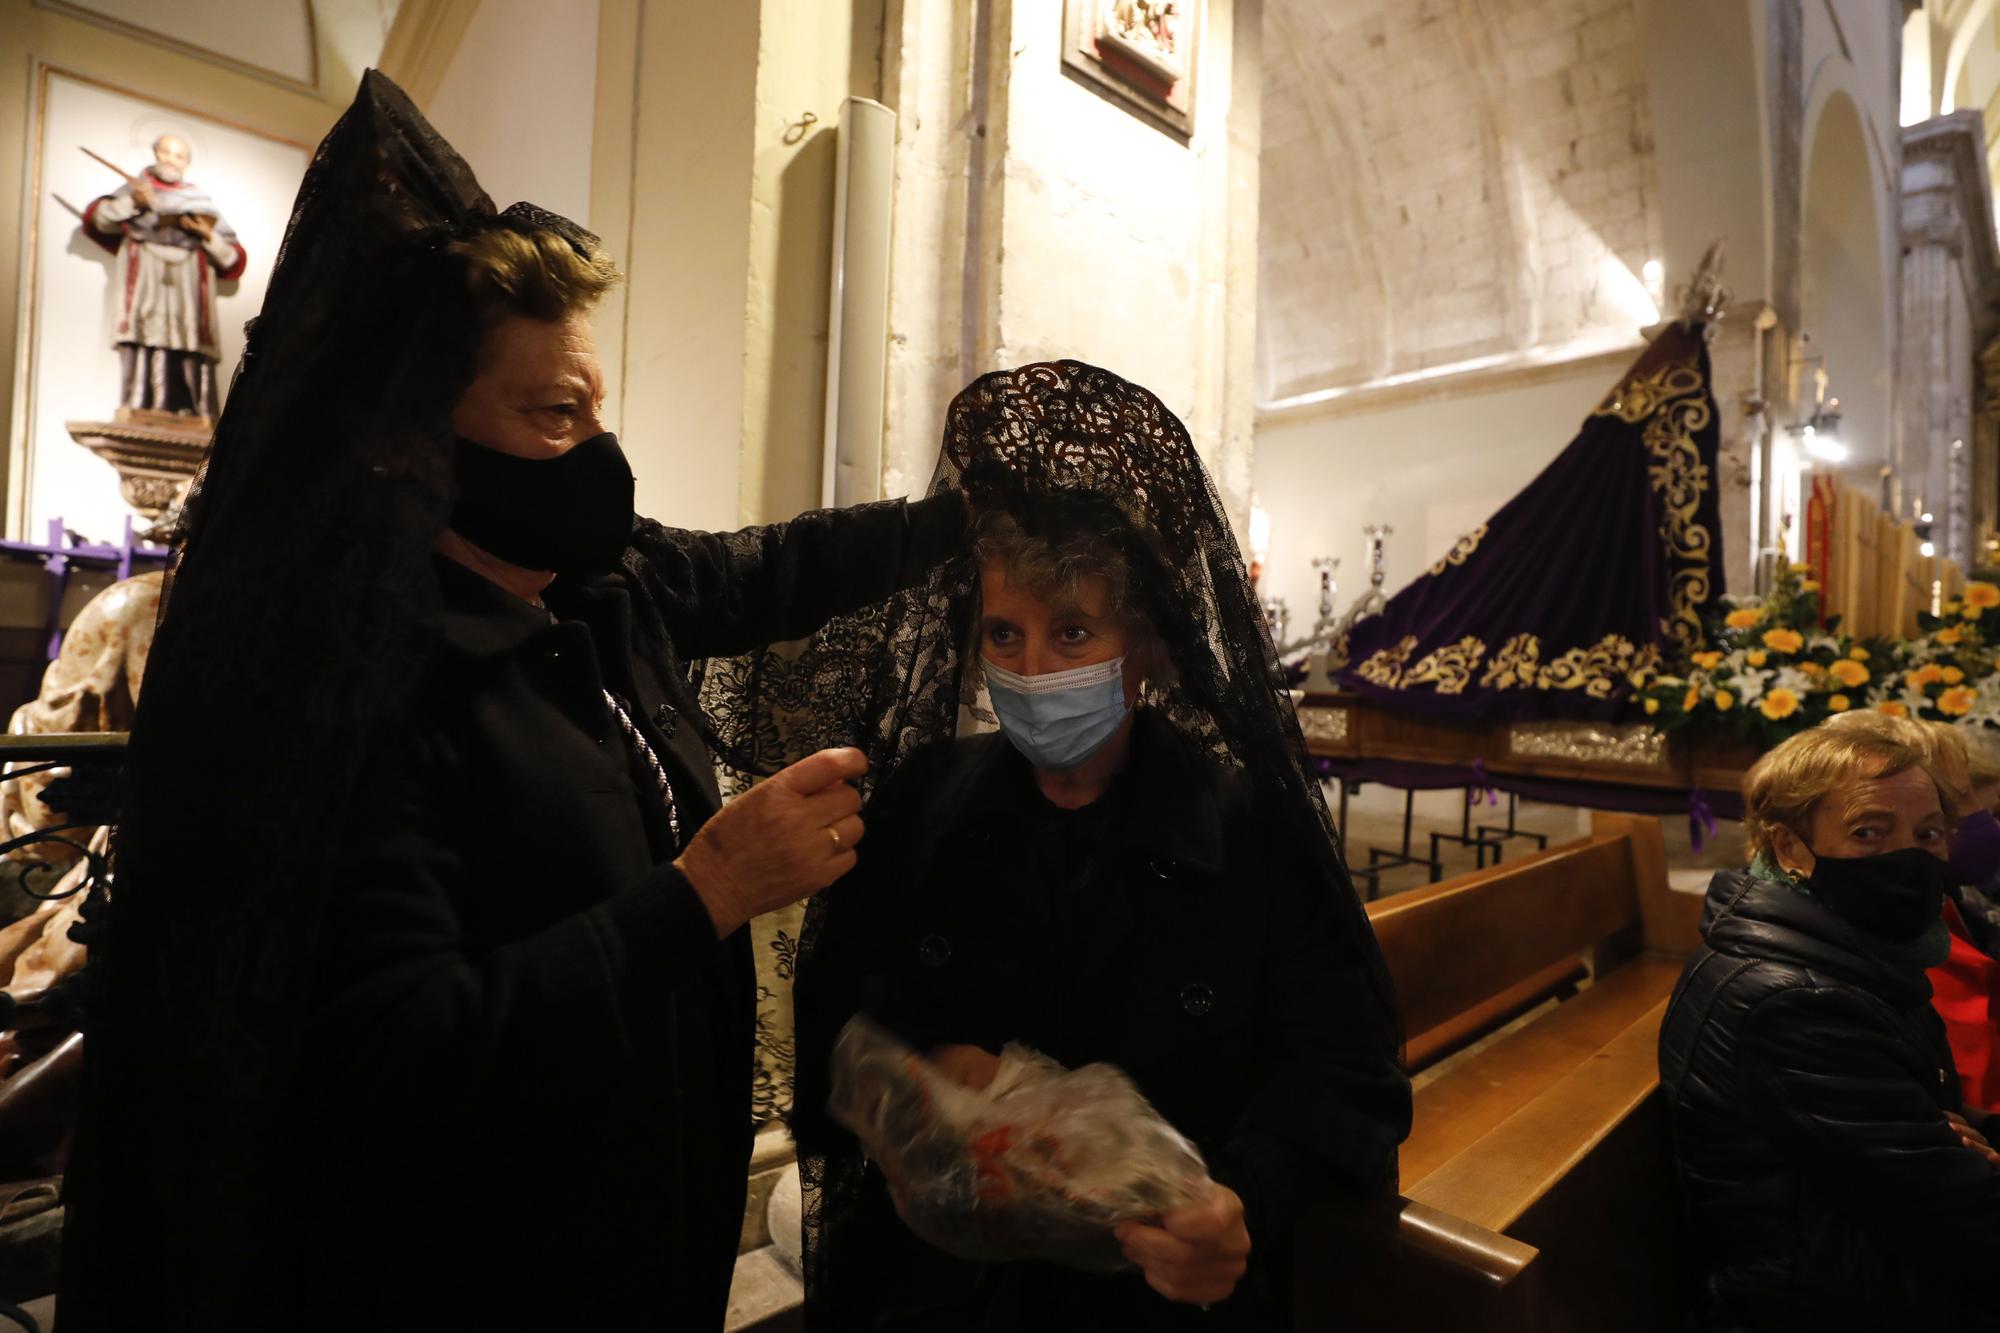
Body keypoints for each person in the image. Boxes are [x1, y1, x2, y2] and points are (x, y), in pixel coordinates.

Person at [58, 73, 963, 1332]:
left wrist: (965, 520)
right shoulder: (357, 682)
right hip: (479, 1268)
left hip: (639, 1222)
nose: (600, 452)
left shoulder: (596, 585)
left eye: (599, 409)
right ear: (411, 439)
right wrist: (704, 889)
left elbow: (766, 570)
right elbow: (396, 1047)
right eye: (555, 416)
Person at [786, 361, 1411, 1330]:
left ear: (1149, 648)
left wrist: (1237, 1197)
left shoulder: (1245, 832)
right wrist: (914, 1071)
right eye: (1004, 633)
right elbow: (838, 994)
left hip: (1147, 1302)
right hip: (934, 1293)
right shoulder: (923, 804)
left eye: (1070, 632)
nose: (1030, 670)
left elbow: (1342, 1077)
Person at [1658, 719, 2000, 1331]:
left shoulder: (1852, 947)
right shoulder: (1794, 1003)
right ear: (1790, 848)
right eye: (1869, 832)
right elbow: (1961, 1214)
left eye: (1928, 833)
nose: (1910, 858)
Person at [81, 132, 246, 418]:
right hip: (146, 272)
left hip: (188, 280)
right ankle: (140, 405)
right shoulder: (135, 189)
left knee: (189, 337)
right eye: (166, 152)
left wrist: (207, 235)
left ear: (187, 163)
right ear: (155, 153)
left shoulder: (199, 200)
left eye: (179, 156)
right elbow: (100, 220)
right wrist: (133, 203)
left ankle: (193, 409)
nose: (172, 160)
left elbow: (232, 258)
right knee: (145, 332)